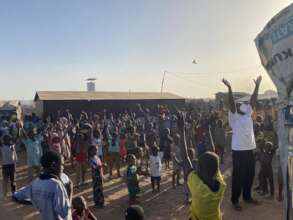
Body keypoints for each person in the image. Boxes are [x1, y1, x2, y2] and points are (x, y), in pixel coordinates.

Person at [222, 76, 262, 210]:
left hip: (249, 149)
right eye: (240, 104)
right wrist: (229, 88)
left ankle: (247, 196)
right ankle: (235, 201)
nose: (242, 105)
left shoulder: (247, 114)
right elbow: (231, 104)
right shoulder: (233, 117)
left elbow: (253, 100)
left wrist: (257, 85)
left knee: (250, 174)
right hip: (238, 150)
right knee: (238, 176)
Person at [177, 112, 226, 220]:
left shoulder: (198, 187)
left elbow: (185, 157)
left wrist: (181, 130)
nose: (196, 167)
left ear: (202, 170)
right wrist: (207, 129)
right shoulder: (221, 184)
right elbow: (213, 152)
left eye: (198, 166)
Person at [13, 151, 72, 220]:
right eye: (62, 165)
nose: (63, 168)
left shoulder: (35, 183)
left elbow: (15, 197)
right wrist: (70, 193)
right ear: (53, 165)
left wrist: (37, 201)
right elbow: (64, 213)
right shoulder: (56, 185)